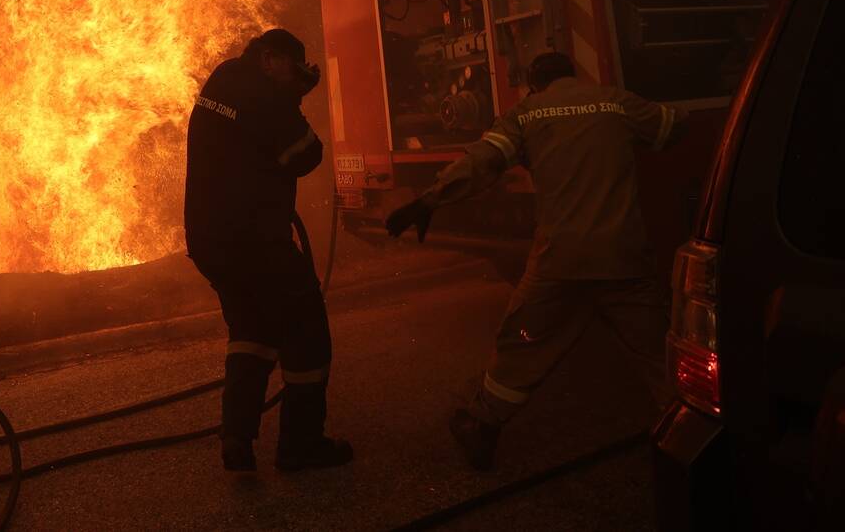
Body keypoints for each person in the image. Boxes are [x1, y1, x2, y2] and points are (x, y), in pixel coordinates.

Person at [386, 51, 688, 470]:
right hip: (623, 258)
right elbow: (672, 127)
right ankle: (694, 437)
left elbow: (481, 163)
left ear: (533, 85)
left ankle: (482, 425)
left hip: (559, 262)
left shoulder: (526, 114)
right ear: (572, 76)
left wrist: (428, 200)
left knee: (522, 342)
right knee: (657, 353)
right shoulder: (616, 102)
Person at [184, 28, 353, 472]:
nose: (294, 79)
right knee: (307, 333)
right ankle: (301, 446)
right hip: (255, 243)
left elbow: (253, 140)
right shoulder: (264, 94)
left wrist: (287, 93)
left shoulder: (222, 79)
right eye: (292, 70)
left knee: (251, 331)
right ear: (270, 59)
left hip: (210, 242)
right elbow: (305, 154)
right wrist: (294, 96)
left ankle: (237, 438)